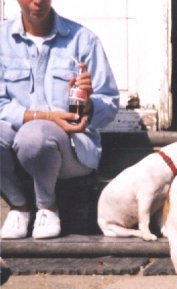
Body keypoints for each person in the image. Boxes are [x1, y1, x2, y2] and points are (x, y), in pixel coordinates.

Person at [0, 0, 119, 239]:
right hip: (14, 147)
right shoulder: (2, 40)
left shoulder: (83, 40)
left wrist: (88, 106)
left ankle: (47, 206)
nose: (38, 1)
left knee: (35, 135)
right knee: (32, 131)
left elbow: (110, 103)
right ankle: (19, 205)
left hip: (71, 150)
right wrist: (42, 116)